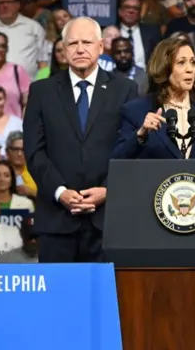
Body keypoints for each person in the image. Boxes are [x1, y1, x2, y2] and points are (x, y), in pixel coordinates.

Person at [24, 17, 138, 263]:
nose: (80, 49)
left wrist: (108, 189)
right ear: (63, 50)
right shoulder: (41, 92)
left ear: (100, 46)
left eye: (86, 42)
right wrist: (60, 191)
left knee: (108, 300)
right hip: (57, 222)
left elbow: (131, 149)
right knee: (58, 299)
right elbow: (34, 152)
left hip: (108, 222)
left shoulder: (125, 89)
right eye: (72, 43)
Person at [112, 37, 195, 159]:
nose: (190, 69)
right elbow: (118, 160)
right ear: (163, 68)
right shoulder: (136, 110)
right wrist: (140, 135)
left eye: (192, 62)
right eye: (181, 63)